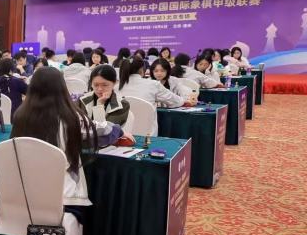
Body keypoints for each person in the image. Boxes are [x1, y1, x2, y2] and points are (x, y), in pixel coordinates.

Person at [11, 67, 128, 220]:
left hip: (25, 192)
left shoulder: (20, 116)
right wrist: (119, 130)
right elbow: (103, 132)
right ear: (62, 88)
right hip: (64, 196)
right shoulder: (71, 117)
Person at [118, 57, 190, 108]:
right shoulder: (153, 84)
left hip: (124, 125)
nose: (159, 73)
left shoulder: (116, 87)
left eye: (162, 70)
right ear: (142, 69)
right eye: (156, 71)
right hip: (147, 125)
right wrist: (184, 101)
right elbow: (175, 101)